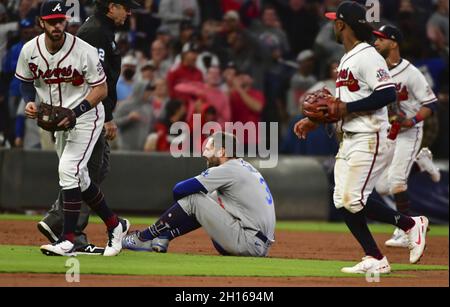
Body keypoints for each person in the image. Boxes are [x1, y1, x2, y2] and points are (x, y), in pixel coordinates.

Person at [294, 1, 428, 274]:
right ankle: (376, 255)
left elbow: (387, 94)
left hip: (369, 135)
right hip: (351, 135)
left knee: (352, 200)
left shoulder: (367, 56)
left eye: (335, 21)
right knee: (342, 200)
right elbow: (342, 104)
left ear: (341, 24)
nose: (333, 25)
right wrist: (314, 120)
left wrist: (346, 108)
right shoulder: (349, 57)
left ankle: (409, 226)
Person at [16, 0, 129, 256]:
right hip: (58, 120)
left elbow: (101, 89)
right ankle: (115, 224)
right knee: (81, 177)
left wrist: (75, 112)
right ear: (41, 22)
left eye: (61, 20)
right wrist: (28, 102)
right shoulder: (29, 50)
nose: (58, 25)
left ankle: (68, 240)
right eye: (52, 21)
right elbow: (24, 81)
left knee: (68, 169)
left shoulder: (83, 50)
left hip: (87, 116)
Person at [123, 132, 276, 257]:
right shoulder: (243, 167)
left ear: (222, 151)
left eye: (210, 148)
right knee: (209, 200)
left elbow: (179, 190)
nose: (205, 153)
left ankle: (143, 237)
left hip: (248, 242)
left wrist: (183, 209)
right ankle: (164, 237)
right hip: (256, 243)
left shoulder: (228, 168)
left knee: (194, 198)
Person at [373, 25, 441, 247]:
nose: (376, 43)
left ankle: (405, 231)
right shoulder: (377, 71)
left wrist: (411, 121)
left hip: (409, 131)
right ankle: (421, 164)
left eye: (381, 39)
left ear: (394, 43)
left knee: (396, 182)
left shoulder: (411, 73)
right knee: (382, 186)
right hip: (389, 132)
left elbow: (431, 103)